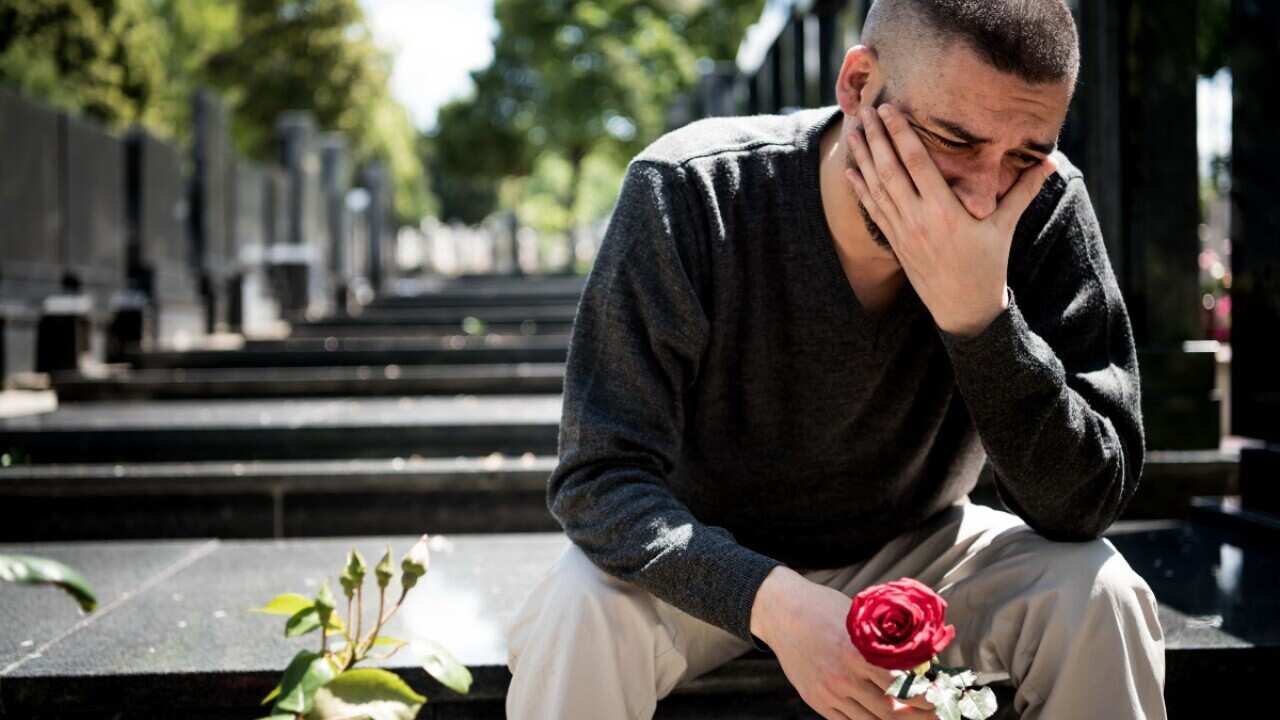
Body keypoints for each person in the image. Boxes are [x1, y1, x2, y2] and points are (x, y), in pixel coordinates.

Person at [504, 0, 1166, 718]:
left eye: (1024, 154)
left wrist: (979, 319)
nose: (984, 195)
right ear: (857, 86)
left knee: (1102, 593)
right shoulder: (693, 192)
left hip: (924, 545)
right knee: (579, 607)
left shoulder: (1043, 206)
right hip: (705, 554)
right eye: (951, 140)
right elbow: (598, 479)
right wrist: (777, 605)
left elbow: (1085, 501)